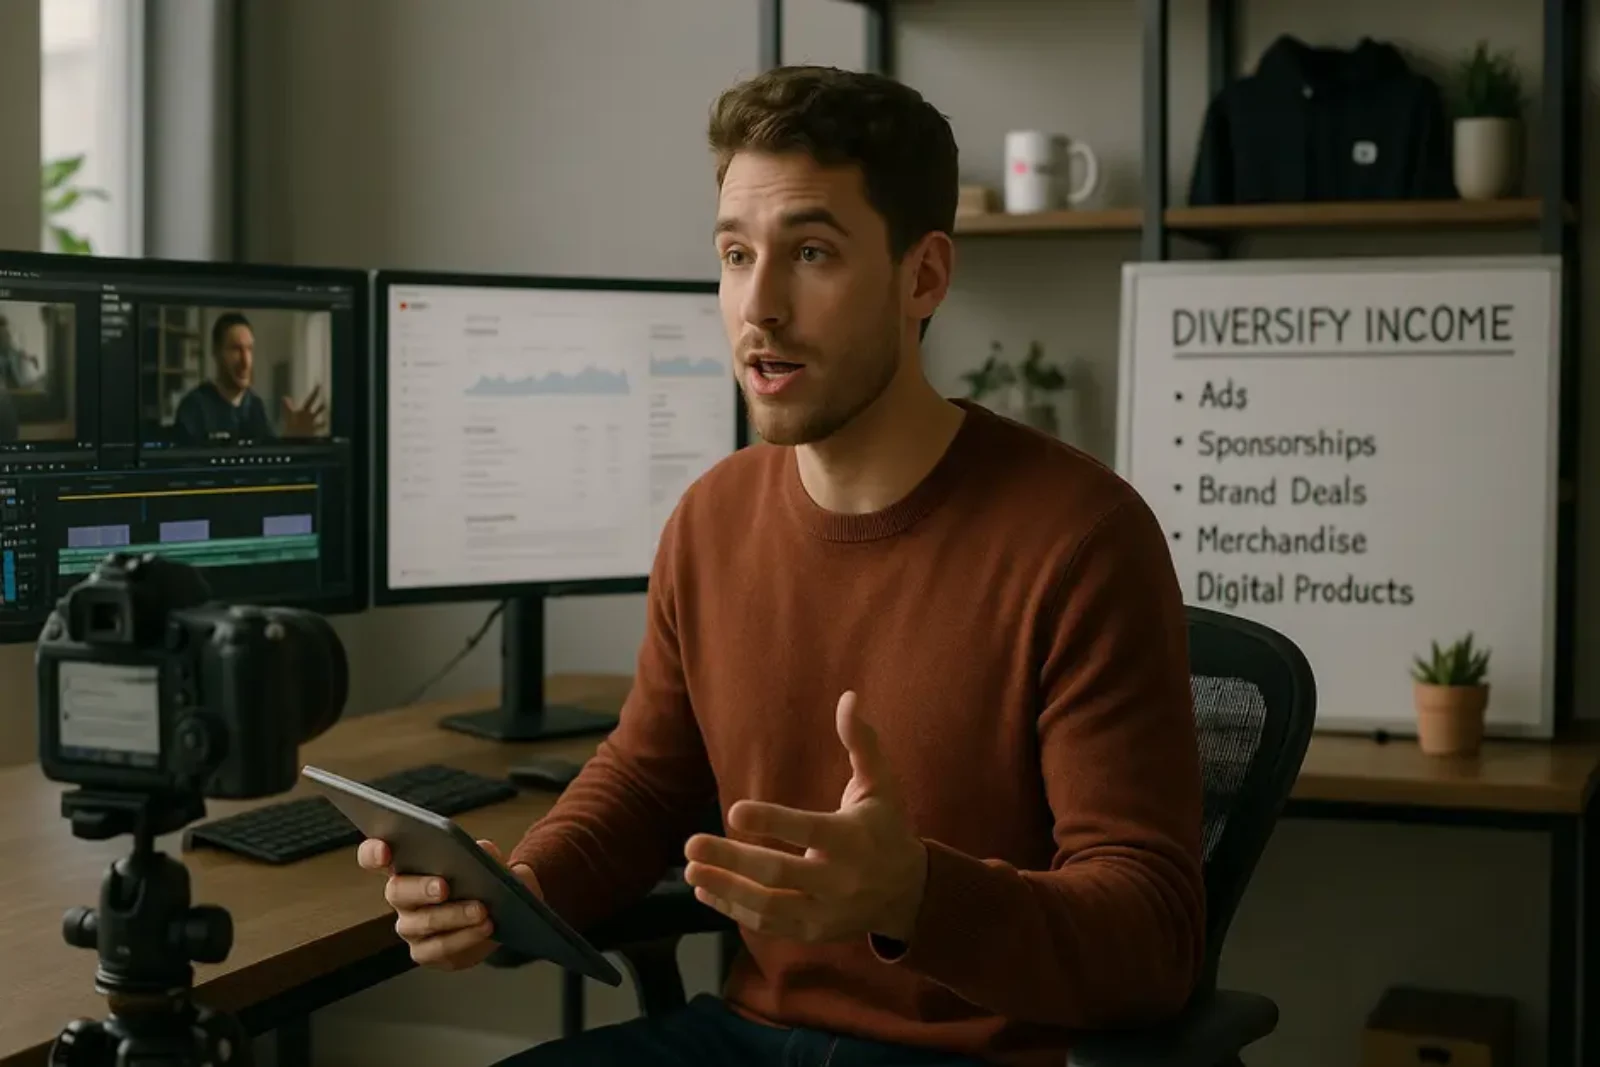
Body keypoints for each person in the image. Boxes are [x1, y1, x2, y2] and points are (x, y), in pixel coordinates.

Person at [358, 66, 1205, 1067]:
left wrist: (914, 893)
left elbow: (1152, 939)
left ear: (922, 277)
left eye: (810, 252)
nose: (757, 304)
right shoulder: (709, 519)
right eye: (733, 253)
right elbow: (643, 779)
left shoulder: (1081, 536)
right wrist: (523, 888)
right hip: (749, 1034)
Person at [172, 311, 325, 443]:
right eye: (236, 349)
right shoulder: (194, 408)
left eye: (249, 349)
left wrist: (290, 439)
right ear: (216, 353)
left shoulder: (255, 406)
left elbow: (268, 464)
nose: (246, 361)